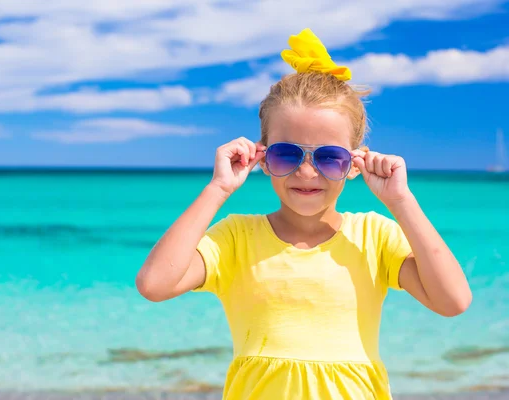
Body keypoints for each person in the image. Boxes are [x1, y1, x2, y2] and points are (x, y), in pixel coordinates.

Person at [135, 28, 472, 400]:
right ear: (261, 158)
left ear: (355, 164)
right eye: (287, 154)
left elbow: (452, 301)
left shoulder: (374, 236)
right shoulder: (236, 239)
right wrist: (217, 190)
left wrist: (401, 201)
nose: (307, 172)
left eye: (329, 157)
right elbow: (155, 284)